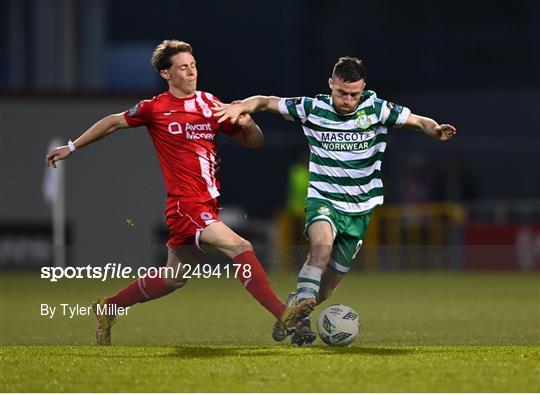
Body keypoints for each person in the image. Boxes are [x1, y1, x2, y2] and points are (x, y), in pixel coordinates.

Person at [44, 40, 312, 346]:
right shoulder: (154, 108)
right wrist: (72, 146)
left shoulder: (211, 104)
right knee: (240, 246)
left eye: (193, 65)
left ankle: (109, 306)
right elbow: (113, 122)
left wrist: (249, 124)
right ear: (166, 74)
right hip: (186, 206)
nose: (191, 72)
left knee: (173, 278)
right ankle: (284, 314)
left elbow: (254, 142)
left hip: (208, 206)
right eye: (183, 67)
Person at [214, 56, 457, 346]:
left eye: (354, 94)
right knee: (320, 249)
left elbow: (418, 121)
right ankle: (299, 320)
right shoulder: (312, 107)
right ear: (331, 84)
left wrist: (436, 130)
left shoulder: (377, 109)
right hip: (324, 198)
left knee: (327, 289)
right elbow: (267, 101)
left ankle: (296, 306)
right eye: (342, 93)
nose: (347, 100)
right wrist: (242, 105)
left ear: (363, 87)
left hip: (361, 208)